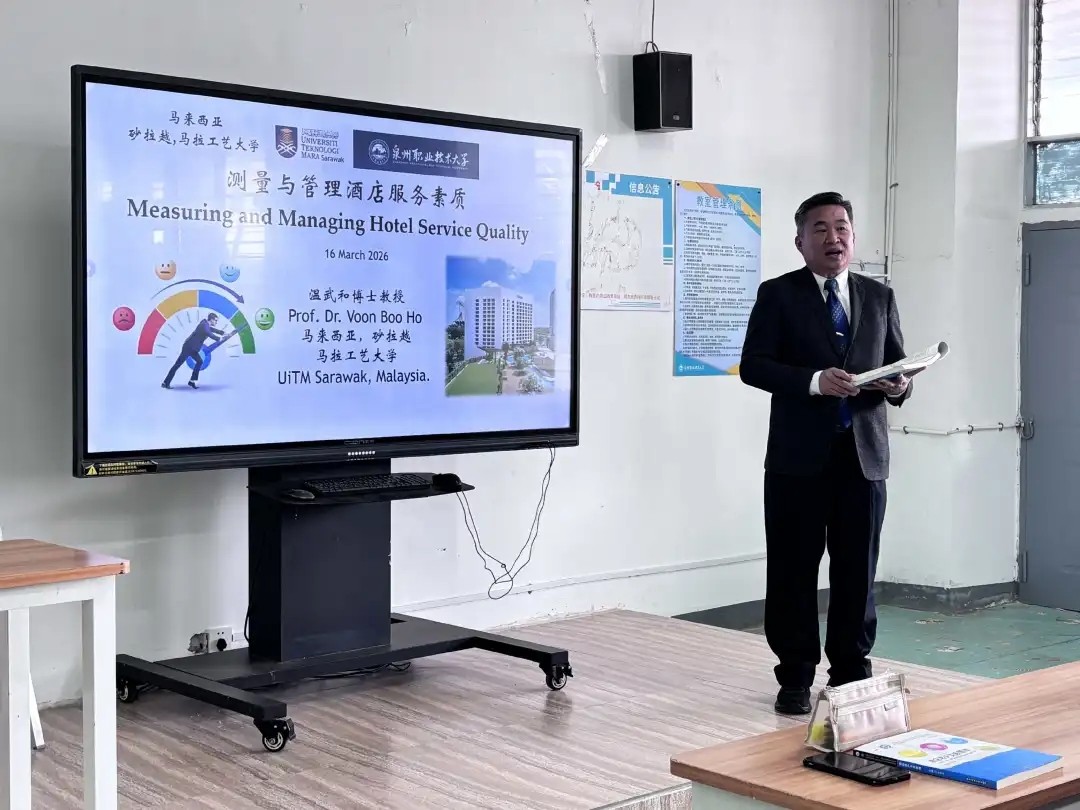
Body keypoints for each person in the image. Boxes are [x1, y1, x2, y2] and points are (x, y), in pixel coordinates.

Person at [739, 191, 913, 716]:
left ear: (853, 237)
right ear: (800, 242)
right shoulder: (778, 294)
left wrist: (900, 385)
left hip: (864, 459)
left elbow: (897, 364)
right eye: (820, 229)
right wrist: (814, 381)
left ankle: (850, 673)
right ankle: (794, 675)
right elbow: (754, 366)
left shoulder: (879, 296)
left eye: (842, 228)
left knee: (857, 571)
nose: (833, 238)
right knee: (793, 569)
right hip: (797, 461)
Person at [162, 313, 227, 390]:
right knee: (177, 365)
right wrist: (219, 339)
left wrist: (222, 333)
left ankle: (192, 381)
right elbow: (209, 333)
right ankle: (165, 383)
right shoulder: (204, 325)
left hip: (193, 349)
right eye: (215, 320)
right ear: (211, 319)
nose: (216, 322)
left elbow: (212, 330)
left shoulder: (206, 324)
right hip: (188, 347)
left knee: (199, 361)